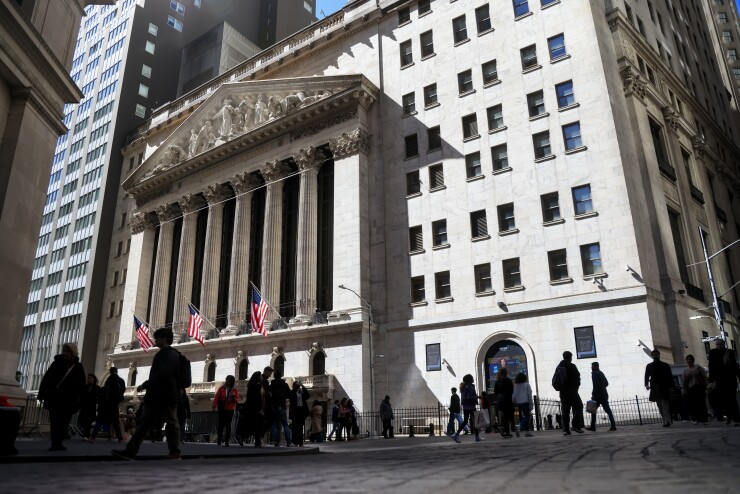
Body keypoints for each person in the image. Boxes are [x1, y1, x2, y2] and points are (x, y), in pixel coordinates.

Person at [112, 328, 181, 460]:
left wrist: (145, 385)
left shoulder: (171, 355)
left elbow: (162, 375)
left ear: (165, 338)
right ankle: (131, 450)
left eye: (158, 338)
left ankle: (175, 452)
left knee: (171, 424)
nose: (155, 340)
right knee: (144, 424)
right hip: (156, 396)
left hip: (165, 396)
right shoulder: (163, 354)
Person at [37, 342, 85, 451]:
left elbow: (81, 384)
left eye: (68, 351)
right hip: (55, 399)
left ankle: (60, 440)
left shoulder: (78, 366)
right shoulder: (56, 363)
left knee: (64, 422)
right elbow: (47, 379)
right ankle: (55, 443)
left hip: (68, 400)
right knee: (54, 421)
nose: (65, 353)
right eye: (64, 351)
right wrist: (42, 394)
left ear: (73, 353)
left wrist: (79, 398)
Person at [707, 339, 740, 425]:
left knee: (732, 399)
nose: (719, 346)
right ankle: (729, 417)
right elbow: (711, 367)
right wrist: (711, 381)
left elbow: (734, 365)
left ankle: (736, 418)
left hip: (730, 379)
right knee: (724, 400)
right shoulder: (713, 353)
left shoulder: (729, 352)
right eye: (717, 344)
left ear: (724, 344)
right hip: (720, 380)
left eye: (720, 344)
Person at [90, 366, 126, 443]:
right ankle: (120, 438)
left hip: (105, 404)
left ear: (110, 372)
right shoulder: (120, 380)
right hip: (113, 404)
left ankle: (93, 437)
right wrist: (119, 399)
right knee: (115, 422)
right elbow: (122, 392)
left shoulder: (108, 380)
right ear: (116, 371)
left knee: (100, 421)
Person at [557, 351, 585, 435]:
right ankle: (575, 424)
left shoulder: (559, 367)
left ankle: (566, 429)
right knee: (579, 406)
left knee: (565, 410)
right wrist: (576, 387)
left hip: (563, 392)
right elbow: (577, 377)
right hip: (572, 391)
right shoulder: (572, 366)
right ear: (570, 357)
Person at [644, 348, 674, 427]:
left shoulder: (665, 365)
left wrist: (671, 387)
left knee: (665, 404)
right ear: (652, 356)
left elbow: (670, 377)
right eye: (654, 354)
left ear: (659, 355)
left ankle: (667, 420)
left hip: (664, 386)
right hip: (654, 387)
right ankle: (665, 419)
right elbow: (646, 375)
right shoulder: (649, 366)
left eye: (656, 354)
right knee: (659, 404)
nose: (655, 356)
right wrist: (646, 384)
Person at [451, 374, 481, 443]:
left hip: (465, 406)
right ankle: (476, 437)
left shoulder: (464, 387)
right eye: (472, 378)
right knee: (476, 421)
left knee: (465, 421)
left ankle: (456, 434)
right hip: (471, 406)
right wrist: (477, 397)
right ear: (470, 380)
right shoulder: (470, 387)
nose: (473, 378)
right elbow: (469, 397)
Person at [587, 362, 616, 431]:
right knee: (608, 410)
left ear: (595, 366)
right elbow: (606, 383)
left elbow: (595, 385)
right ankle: (613, 425)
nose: (591, 367)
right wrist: (602, 387)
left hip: (598, 396)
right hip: (604, 394)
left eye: (592, 366)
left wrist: (593, 395)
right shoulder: (601, 373)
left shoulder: (594, 374)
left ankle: (593, 427)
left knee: (593, 411)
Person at [212, 375, 239, 446]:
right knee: (221, 424)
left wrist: (233, 399)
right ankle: (219, 440)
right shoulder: (221, 388)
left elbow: (237, 399)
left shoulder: (234, 389)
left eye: (229, 379)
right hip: (222, 408)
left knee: (228, 425)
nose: (227, 381)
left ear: (232, 381)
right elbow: (216, 397)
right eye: (226, 379)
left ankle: (227, 441)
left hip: (230, 409)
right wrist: (214, 406)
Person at [682, 354, 708, 424]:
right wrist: (684, 390)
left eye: (690, 359)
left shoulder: (698, 367)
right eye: (687, 359)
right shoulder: (685, 370)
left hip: (700, 387)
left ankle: (704, 419)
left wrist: (706, 385)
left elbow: (705, 376)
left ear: (693, 360)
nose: (689, 360)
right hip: (691, 388)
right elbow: (684, 381)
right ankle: (695, 418)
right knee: (693, 404)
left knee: (701, 403)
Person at [270, 370, 292, 447]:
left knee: (274, 424)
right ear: (280, 376)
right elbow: (290, 395)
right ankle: (288, 442)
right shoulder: (284, 384)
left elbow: (269, 395)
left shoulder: (272, 385)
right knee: (285, 424)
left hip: (274, 406)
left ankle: (276, 441)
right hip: (282, 406)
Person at [243, 371, 265, 447]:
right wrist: (261, 408)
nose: (262, 377)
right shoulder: (258, 386)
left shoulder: (250, 385)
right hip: (257, 407)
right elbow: (260, 398)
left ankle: (244, 436)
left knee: (252, 423)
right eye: (261, 376)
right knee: (259, 425)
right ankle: (257, 442)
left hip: (250, 407)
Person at [493, 368, 515, 438]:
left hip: (500, 400)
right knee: (508, 416)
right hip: (507, 399)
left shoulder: (497, 382)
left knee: (503, 415)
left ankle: (504, 429)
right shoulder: (508, 380)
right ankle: (505, 430)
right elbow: (511, 390)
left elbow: (495, 391)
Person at [289, 380, 310, 447]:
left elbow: (308, 396)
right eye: (297, 385)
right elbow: (292, 394)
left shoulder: (301, 392)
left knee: (301, 428)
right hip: (295, 411)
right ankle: (295, 442)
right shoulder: (293, 392)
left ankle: (300, 443)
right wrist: (297, 385)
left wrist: (303, 386)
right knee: (295, 428)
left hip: (301, 411)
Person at [512, 372, 534, 437]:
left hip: (518, 403)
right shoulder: (527, 385)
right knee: (527, 416)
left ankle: (527, 432)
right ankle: (519, 426)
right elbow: (529, 395)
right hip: (525, 402)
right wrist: (531, 404)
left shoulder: (516, 386)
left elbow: (514, 395)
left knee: (524, 416)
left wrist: (514, 402)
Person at [78, 373, 99, 439]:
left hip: (91, 407)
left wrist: (96, 402)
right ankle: (86, 434)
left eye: (90, 378)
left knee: (88, 421)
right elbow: (81, 396)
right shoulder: (85, 387)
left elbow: (99, 397)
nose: (88, 380)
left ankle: (86, 435)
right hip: (84, 406)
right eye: (88, 378)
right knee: (83, 421)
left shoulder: (97, 388)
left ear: (94, 379)